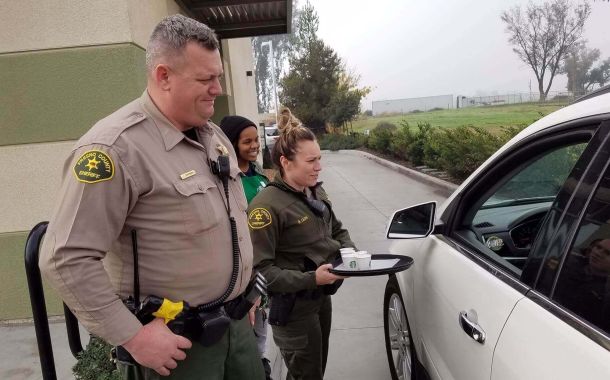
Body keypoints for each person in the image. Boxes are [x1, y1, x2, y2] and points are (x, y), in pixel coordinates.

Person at [39, 14, 264, 380]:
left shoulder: (215, 138)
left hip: (237, 331)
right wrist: (133, 336)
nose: (218, 89)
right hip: (177, 350)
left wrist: (246, 298)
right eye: (206, 79)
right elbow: (65, 257)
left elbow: (232, 225)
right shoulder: (114, 148)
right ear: (164, 76)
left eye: (218, 76)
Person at [247, 107, 356, 380]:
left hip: (321, 299)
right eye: (311, 161)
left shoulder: (314, 190)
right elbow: (261, 272)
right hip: (294, 309)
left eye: (319, 159)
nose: (318, 167)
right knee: (305, 375)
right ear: (285, 162)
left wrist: (350, 251)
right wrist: (311, 279)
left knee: (314, 372)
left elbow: (336, 228)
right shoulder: (266, 207)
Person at [219, 115, 272, 378]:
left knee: (261, 326)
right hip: (245, 268)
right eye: (247, 141)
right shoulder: (228, 180)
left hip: (266, 264)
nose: (255, 146)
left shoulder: (259, 173)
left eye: (256, 140)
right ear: (231, 144)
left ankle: (261, 364)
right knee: (249, 327)